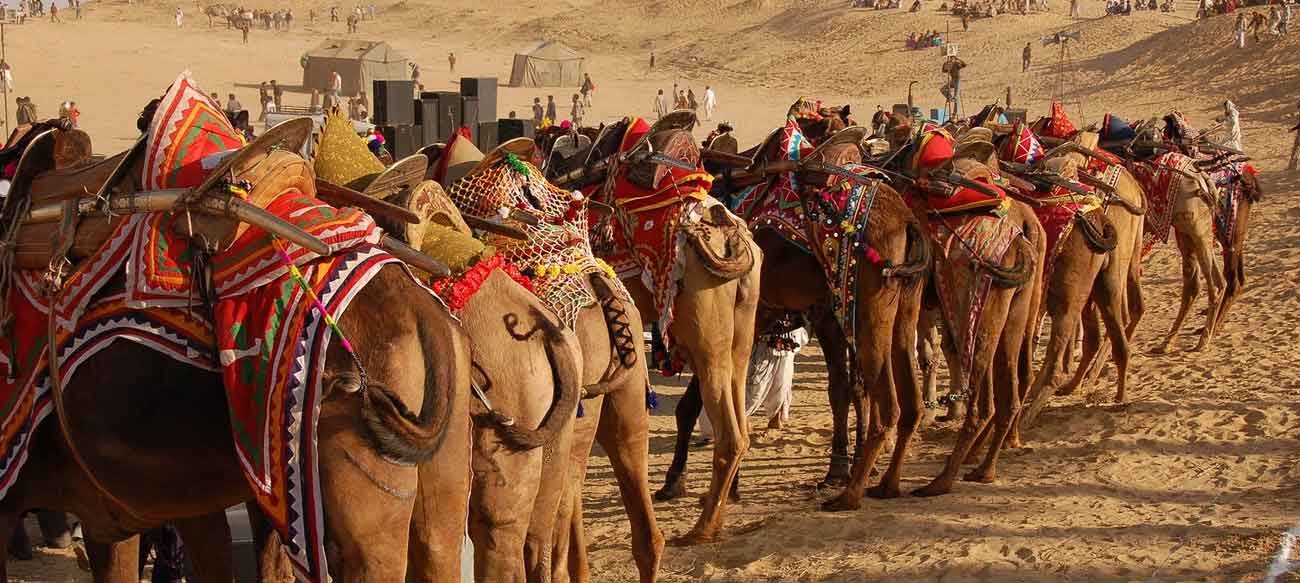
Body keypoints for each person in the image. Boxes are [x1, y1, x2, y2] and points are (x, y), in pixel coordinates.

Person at [697, 320, 810, 440]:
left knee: (782, 383)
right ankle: (716, 426)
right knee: (753, 390)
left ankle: (775, 420)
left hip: (789, 334)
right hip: (762, 339)